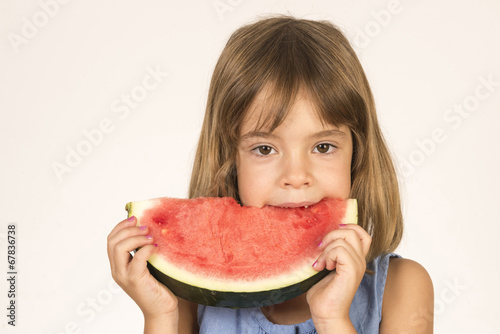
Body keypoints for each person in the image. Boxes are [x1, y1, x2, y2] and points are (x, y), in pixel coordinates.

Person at [107, 15, 434, 333]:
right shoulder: (190, 296)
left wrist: (333, 319)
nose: (296, 175)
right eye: (265, 149)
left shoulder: (401, 287)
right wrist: (161, 316)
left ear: (357, 155)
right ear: (231, 160)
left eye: (323, 147)